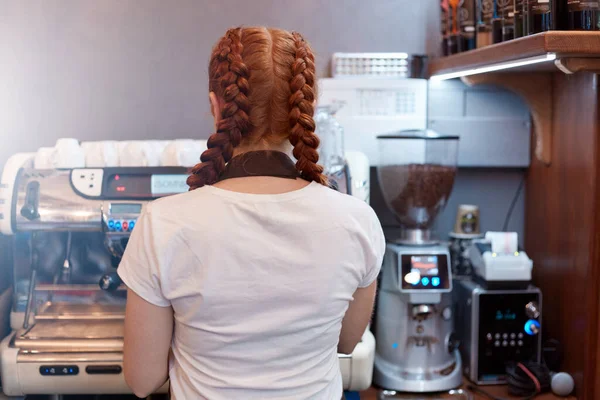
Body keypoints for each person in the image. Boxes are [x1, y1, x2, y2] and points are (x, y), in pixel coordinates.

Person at [117, 26, 385, 400]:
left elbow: (143, 381)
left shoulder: (163, 222)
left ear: (216, 107)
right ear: (305, 110)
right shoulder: (358, 221)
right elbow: (345, 341)